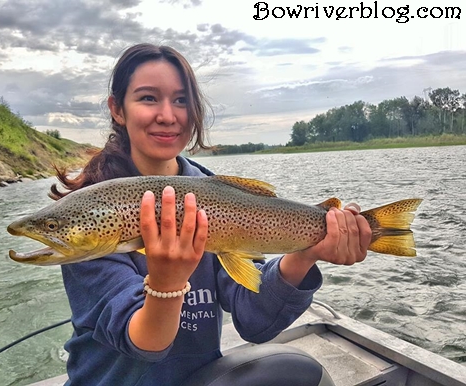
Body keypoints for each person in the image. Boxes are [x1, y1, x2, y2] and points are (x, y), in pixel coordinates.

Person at [51, 43, 372, 386]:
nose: (167, 115)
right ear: (117, 109)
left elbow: (254, 321)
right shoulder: (94, 211)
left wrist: (305, 255)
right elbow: (144, 344)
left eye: (180, 100)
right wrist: (167, 284)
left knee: (302, 370)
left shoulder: (212, 194)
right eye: (148, 98)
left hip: (198, 379)